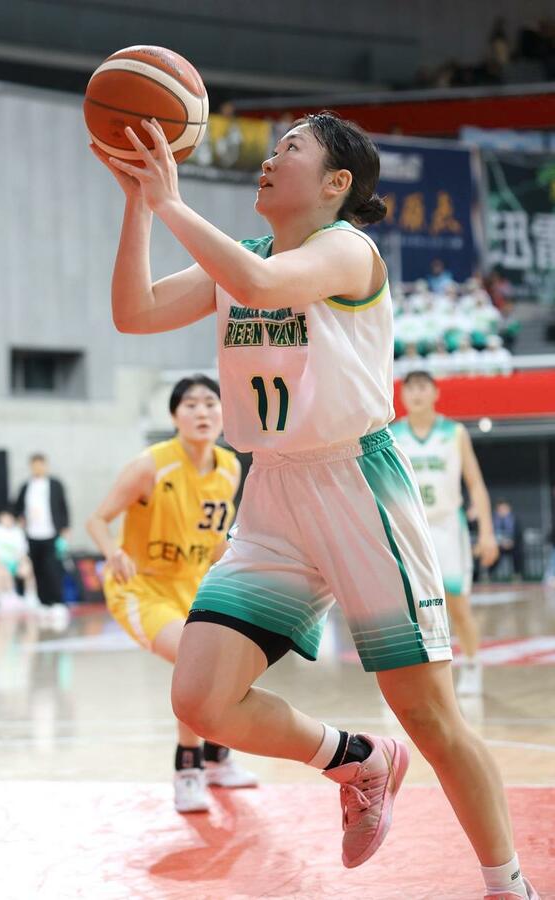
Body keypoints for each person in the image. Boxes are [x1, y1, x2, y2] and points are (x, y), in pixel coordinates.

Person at [91, 111, 539, 899]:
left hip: (356, 486)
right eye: (272, 148)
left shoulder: (347, 249)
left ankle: (508, 886)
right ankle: (356, 760)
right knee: (200, 697)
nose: (269, 159)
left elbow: (261, 287)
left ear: (336, 183)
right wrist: (138, 201)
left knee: (428, 714)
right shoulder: (243, 256)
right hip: (272, 490)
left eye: (289, 148)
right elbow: (134, 312)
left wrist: (170, 201)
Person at [86, 375, 257, 813]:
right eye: (191, 405)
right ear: (174, 416)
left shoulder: (230, 467)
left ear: (224, 413)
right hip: (141, 588)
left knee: (229, 663)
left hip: (195, 587)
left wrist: (244, 567)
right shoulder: (150, 465)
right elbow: (97, 520)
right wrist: (112, 552)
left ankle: (217, 758)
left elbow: (214, 541)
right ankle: (188, 768)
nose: (202, 412)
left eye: (210, 403)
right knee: (194, 660)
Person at [391, 371, 499, 696]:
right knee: (407, 609)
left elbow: (475, 484)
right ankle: (406, 679)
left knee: (457, 604)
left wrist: (487, 532)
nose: (416, 393)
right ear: (402, 395)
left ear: (436, 393)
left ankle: (472, 665)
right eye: (410, 388)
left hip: (447, 526)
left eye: (423, 387)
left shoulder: (455, 432)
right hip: (408, 529)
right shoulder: (393, 434)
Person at [14, 454, 70, 625]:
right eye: (34, 465)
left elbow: (63, 507)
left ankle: (58, 602)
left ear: (45, 465)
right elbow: (17, 507)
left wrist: (65, 529)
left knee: (52, 568)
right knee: (37, 569)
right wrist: (21, 519)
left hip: (51, 533)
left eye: (40, 465)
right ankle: (44, 602)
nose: (37, 468)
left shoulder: (54, 484)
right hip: (32, 534)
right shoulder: (26, 486)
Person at [0, 508, 39, 611]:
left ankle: (31, 597)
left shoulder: (17, 531)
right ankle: (3, 599)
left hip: (16, 563)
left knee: (28, 566)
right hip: (0, 563)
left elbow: (23, 552)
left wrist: (22, 561)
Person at [491, 500, 524, 581]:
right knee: (492, 552)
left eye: (504, 509)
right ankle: (489, 574)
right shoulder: (492, 520)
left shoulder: (514, 519)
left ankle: (517, 574)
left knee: (518, 553)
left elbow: (518, 533)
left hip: (512, 545)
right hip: (497, 545)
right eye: (500, 509)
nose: (502, 511)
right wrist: (499, 543)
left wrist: (511, 542)